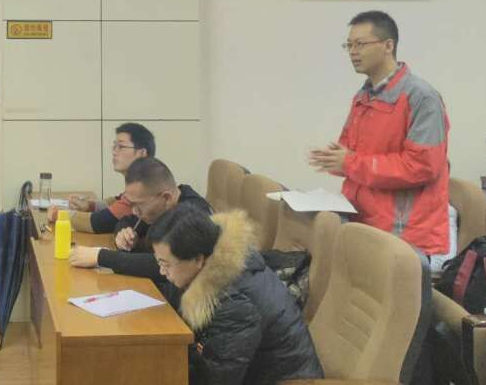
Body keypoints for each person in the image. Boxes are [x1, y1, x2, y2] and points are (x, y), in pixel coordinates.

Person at [309, 10, 450, 259]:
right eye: (349, 45)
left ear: (388, 46)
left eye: (360, 44)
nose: (353, 52)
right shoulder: (363, 95)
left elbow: (422, 166)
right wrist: (335, 159)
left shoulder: (421, 97)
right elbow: (353, 152)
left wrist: (349, 162)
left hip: (403, 235)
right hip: (363, 219)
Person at [149, 204, 324, 385]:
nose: (162, 271)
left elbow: (217, 379)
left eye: (165, 264)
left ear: (198, 259)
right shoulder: (217, 266)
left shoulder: (233, 303)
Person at [69, 156, 211, 277]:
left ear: (166, 198)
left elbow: (166, 266)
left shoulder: (193, 217)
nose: (134, 211)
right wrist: (124, 233)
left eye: (138, 205)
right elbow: (127, 220)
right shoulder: (159, 206)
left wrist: (101, 257)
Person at [53, 122, 155, 233]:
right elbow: (117, 201)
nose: (114, 152)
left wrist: (60, 215)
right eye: (114, 146)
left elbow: (98, 222)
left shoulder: (144, 189)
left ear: (142, 153)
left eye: (121, 147)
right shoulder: (141, 180)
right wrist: (88, 205)